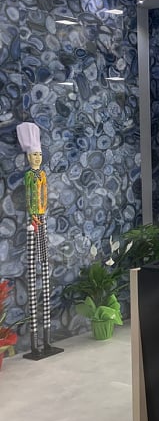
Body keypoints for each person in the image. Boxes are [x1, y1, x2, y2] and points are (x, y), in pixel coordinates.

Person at [16, 122, 63, 359]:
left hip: (42, 219)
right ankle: (35, 343)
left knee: (45, 267)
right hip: (33, 220)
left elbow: (44, 194)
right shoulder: (28, 176)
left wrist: (42, 212)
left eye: (39, 155)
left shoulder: (42, 175)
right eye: (34, 155)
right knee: (34, 272)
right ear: (28, 157)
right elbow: (29, 197)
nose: (37, 158)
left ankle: (47, 340)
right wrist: (34, 215)